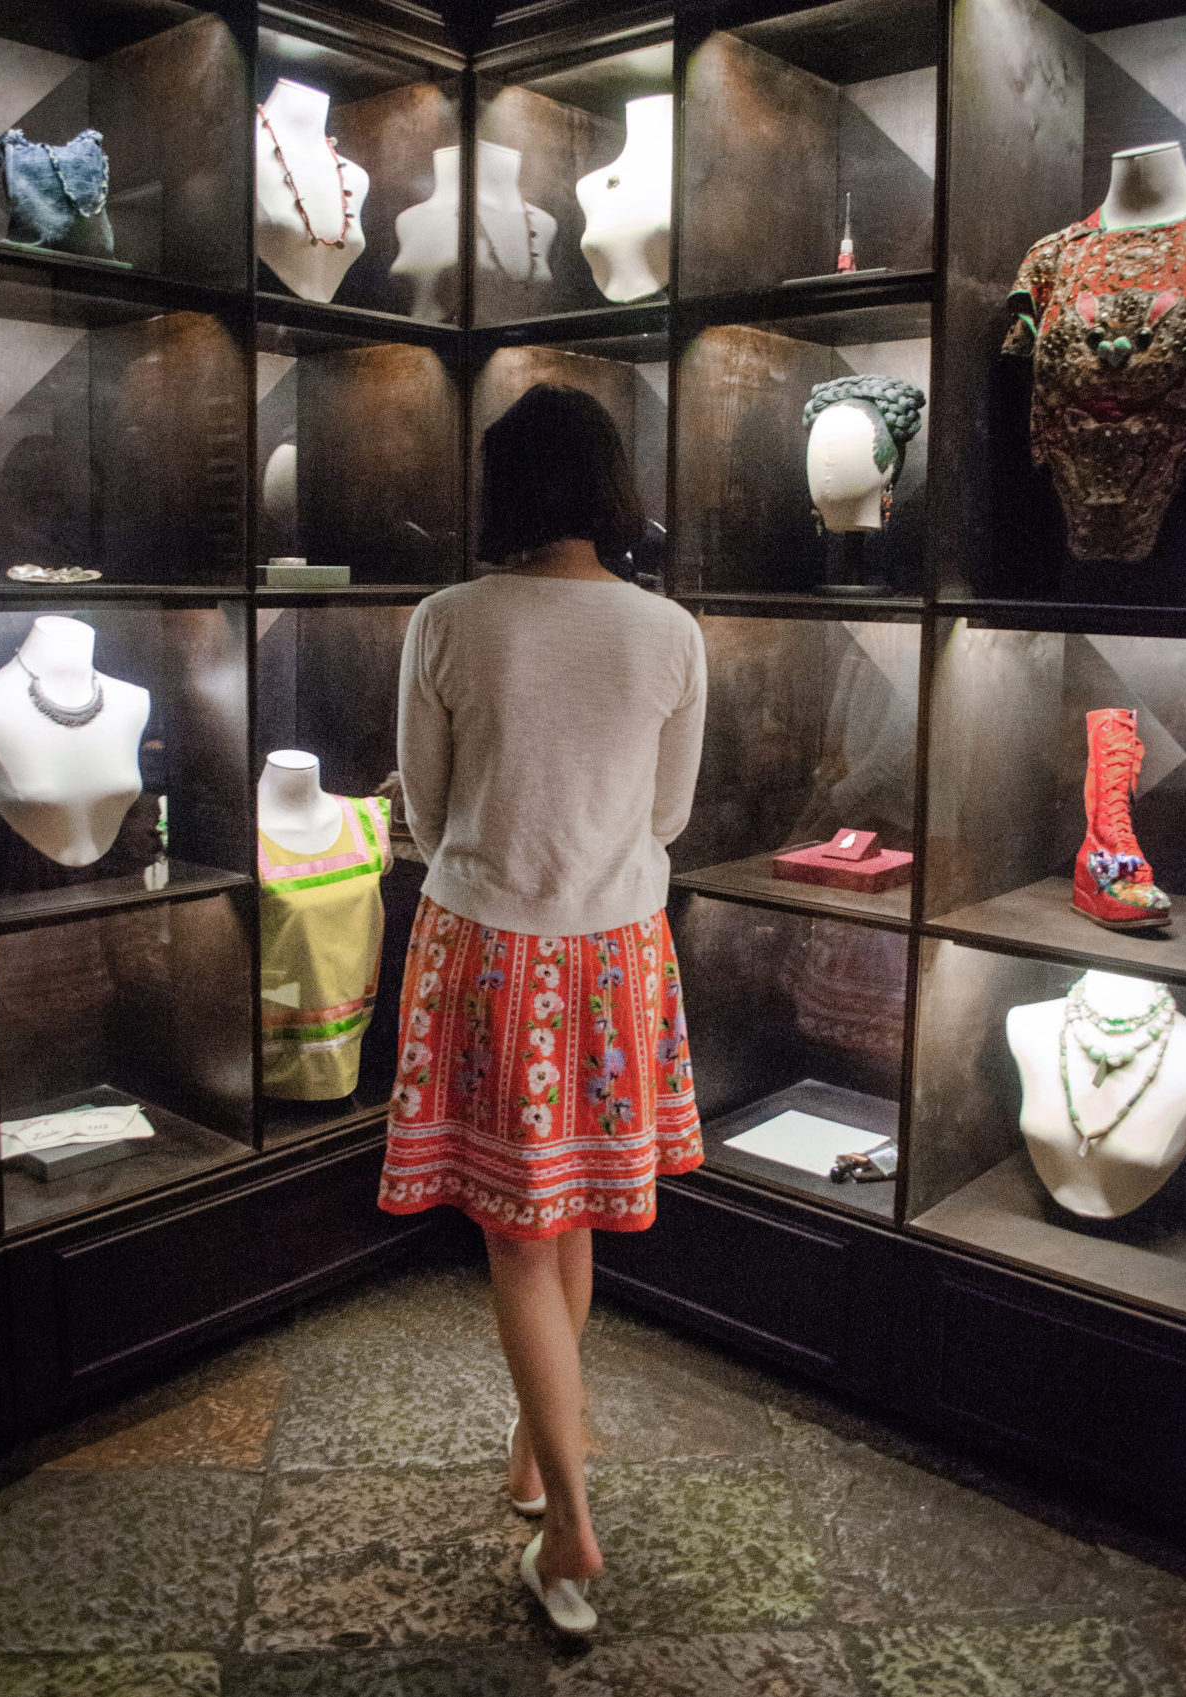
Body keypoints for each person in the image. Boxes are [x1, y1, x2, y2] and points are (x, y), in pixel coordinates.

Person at [377, 383, 706, 1635]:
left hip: (492, 947)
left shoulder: (450, 619)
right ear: (612, 485)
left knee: (520, 1232)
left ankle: (569, 1520)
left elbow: (426, 811)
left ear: (503, 488)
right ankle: (535, 1452)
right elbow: (668, 815)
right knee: (564, 1217)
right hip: (621, 949)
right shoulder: (669, 632)